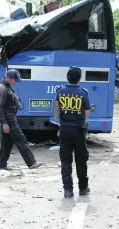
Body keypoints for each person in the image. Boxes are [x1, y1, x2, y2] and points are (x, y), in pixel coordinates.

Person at [54, 66, 91, 198]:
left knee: (65, 160)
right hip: (78, 131)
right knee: (81, 159)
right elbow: (86, 114)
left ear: (67, 77)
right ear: (79, 78)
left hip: (64, 130)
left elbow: (56, 113)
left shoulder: (60, 92)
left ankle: (68, 190)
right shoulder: (83, 93)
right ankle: (83, 188)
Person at [0, 69, 44, 170]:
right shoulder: (3, 89)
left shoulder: (7, 87)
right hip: (9, 120)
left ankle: (1, 165)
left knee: (7, 143)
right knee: (21, 140)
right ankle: (31, 163)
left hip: (10, 119)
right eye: (15, 80)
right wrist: (4, 123)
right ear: (9, 78)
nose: (16, 82)